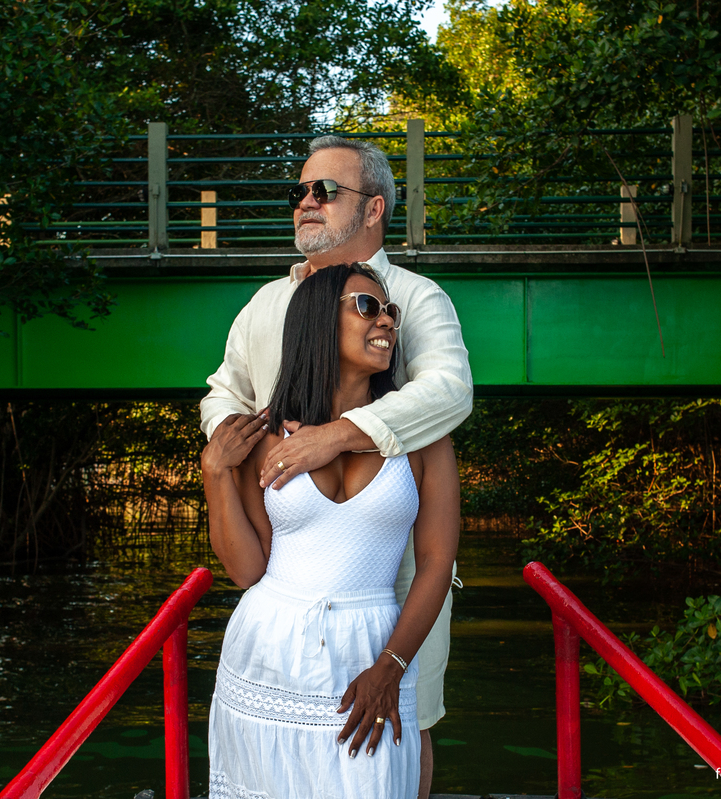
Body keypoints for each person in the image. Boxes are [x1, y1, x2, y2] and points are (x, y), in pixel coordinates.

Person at [200, 135, 472, 798]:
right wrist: (233, 455)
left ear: (374, 208)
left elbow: (449, 391)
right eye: (300, 191)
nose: (306, 202)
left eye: (326, 191)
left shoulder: (418, 297)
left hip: (395, 569)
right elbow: (224, 392)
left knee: (407, 724)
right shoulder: (266, 303)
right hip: (284, 563)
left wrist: (336, 437)